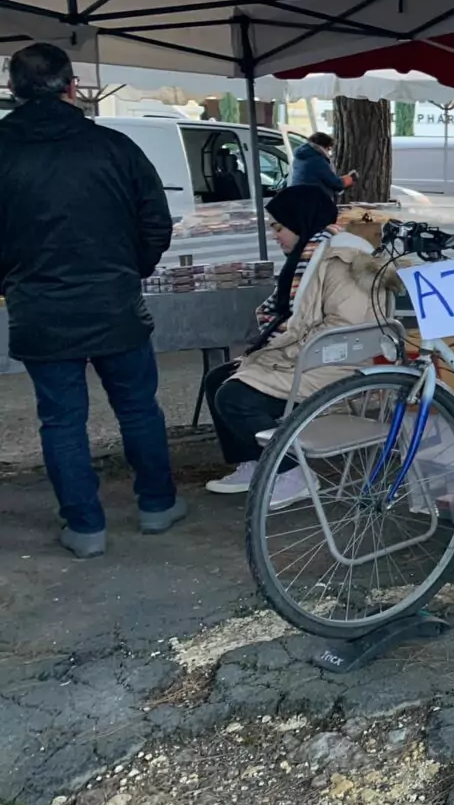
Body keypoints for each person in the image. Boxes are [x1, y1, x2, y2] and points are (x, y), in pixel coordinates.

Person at [0, 42, 183, 557]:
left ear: (12, 90)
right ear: (71, 87)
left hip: (39, 307)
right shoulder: (114, 146)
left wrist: (11, 280)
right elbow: (155, 223)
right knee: (137, 408)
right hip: (113, 302)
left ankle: (84, 528)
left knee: (61, 420)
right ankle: (157, 505)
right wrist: (131, 270)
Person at [203, 185, 397, 496]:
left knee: (235, 398)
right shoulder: (312, 255)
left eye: (279, 227)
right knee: (218, 380)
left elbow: (346, 331)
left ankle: (292, 474)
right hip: (311, 356)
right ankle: (255, 463)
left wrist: (283, 351)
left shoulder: (344, 261)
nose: (275, 236)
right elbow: (298, 320)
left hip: (336, 365)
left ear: (300, 220)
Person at [288, 132, 355, 200]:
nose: (329, 153)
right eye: (329, 149)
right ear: (324, 146)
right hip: (314, 200)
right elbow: (334, 183)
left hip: (298, 197)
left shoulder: (300, 157)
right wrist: (345, 181)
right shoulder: (317, 160)